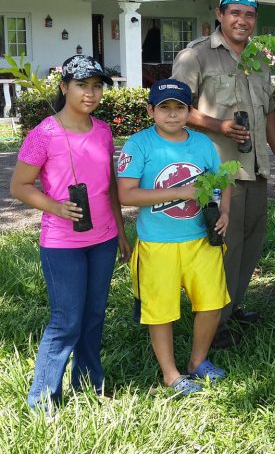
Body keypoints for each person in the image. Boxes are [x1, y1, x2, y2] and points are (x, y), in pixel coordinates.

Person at [11, 55, 131, 412]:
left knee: (94, 316)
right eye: (82, 85)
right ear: (64, 87)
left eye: (97, 86)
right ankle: (43, 401)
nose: (90, 94)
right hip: (63, 243)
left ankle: (89, 384)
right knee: (67, 320)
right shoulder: (43, 133)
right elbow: (19, 185)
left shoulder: (104, 131)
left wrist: (121, 232)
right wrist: (56, 207)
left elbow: (110, 186)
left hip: (104, 240)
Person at [172, 0, 275, 349]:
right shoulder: (196, 56)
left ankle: (233, 306)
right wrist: (217, 125)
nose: (242, 20)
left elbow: (268, 113)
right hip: (217, 170)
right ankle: (214, 320)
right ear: (219, 15)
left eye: (249, 14)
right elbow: (174, 107)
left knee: (250, 241)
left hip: (254, 168)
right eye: (234, 12)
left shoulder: (259, 59)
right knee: (222, 245)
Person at [117, 79, 232, 395]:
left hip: (200, 240)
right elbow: (126, 194)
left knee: (211, 303)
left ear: (189, 111)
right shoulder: (139, 145)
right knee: (161, 309)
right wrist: (181, 191)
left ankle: (198, 361)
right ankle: (171, 374)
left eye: (179, 107)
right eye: (164, 108)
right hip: (158, 244)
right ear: (150, 110)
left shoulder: (203, 144)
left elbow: (224, 182)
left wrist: (224, 213)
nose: (171, 115)